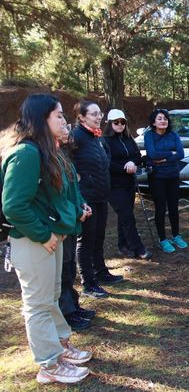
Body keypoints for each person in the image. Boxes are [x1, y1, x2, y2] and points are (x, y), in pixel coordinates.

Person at [1, 94, 92, 384]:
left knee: (51, 297)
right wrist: (43, 235)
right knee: (38, 304)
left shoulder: (49, 152)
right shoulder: (26, 154)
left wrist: (75, 211)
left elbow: (56, 195)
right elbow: (14, 205)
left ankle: (60, 346)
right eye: (59, 116)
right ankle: (49, 365)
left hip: (49, 239)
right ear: (42, 120)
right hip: (32, 241)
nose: (64, 121)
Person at [71, 101, 123, 299]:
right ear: (82, 117)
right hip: (87, 197)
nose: (98, 117)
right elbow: (68, 161)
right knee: (86, 240)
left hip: (102, 194)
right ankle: (88, 283)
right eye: (94, 114)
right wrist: (80, 182)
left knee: (99, 236)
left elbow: (105, 156)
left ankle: (101, 272)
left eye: (99, 113)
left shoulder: (97, 136)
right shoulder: (77, 136)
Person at [56, 125, 96, 331]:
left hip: (72, 221)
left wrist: (81, 203)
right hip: (62, 222)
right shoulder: (47, 156)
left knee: (69, 267)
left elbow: (73, 188)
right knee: (63, 270)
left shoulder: (64, 154)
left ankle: (73, 306)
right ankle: (66, 312)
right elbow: (56, 196)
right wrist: (76, 211)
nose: (66, 129)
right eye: (61, 122)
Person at [103, 109, 151, 259]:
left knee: (124, 215)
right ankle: (138, 247)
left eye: (122, 122)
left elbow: (137, 156)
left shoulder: (128, 139)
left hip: (129, 183)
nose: (120, 125)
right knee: (127, 215)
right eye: (116, 122)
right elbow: (107, 162)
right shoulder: (104, 140)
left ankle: (123, 245)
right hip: (114, 185)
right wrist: (125, 167)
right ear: (110, 123)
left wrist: (132, 162)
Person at [144, 108, 187, 253]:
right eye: (160, 119)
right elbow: (152, 153)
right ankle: (163, 239)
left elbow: (181, 154)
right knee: (160, 208)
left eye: (165, 119)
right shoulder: (149, 135)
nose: (163, 121)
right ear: (154, 122)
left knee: (174, 207)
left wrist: (161, 159)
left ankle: (176, 235)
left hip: (173, 175)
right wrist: (170, 153)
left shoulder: (173, 135)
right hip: (157, 178)